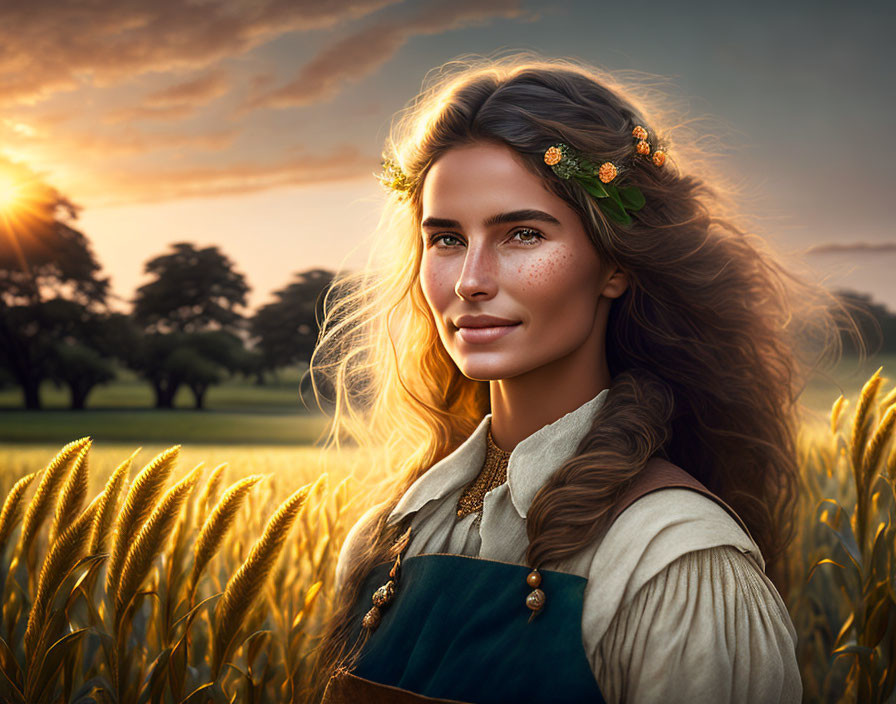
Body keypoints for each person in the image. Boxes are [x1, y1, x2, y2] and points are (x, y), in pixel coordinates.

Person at [309, 53, 850, 703]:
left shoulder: (673, 560)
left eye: (523, 234)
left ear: (614, 265)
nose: (472, 280)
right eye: (447, 239)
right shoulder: (385, 539)